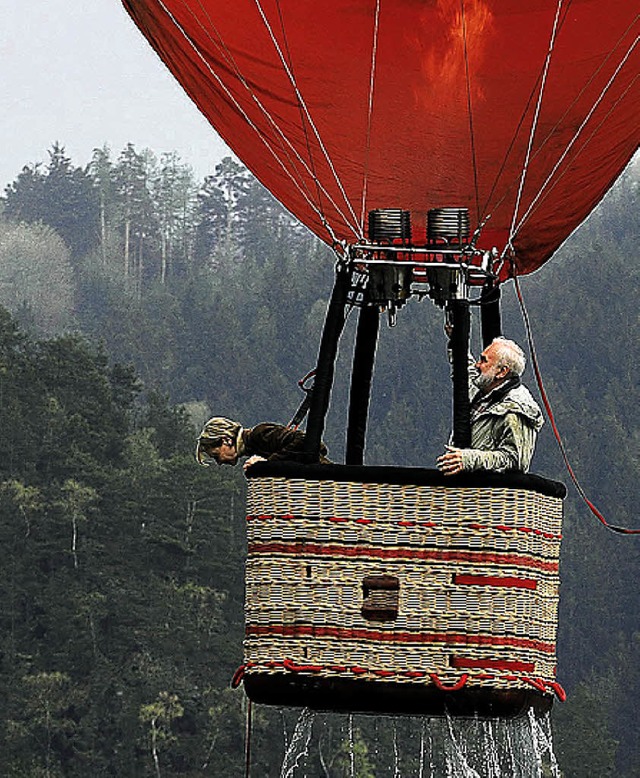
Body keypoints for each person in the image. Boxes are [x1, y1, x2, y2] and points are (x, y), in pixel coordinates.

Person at [437, 337, 543, 476]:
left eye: (484, 360)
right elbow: (465, 371)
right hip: (465, 489)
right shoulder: (482, 389)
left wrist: (468, 459)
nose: (477, 365)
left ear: (502, 372)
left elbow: (516, 460)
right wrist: (456, 336)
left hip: (490, 493)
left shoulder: (517, 409)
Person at [195, 416, 330, 470]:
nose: (219, 462)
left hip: (325, 482)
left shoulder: (259, 434)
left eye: (216, 455)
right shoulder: (254, 444)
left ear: (226, 440)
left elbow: (305, 440)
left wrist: (267, 464)